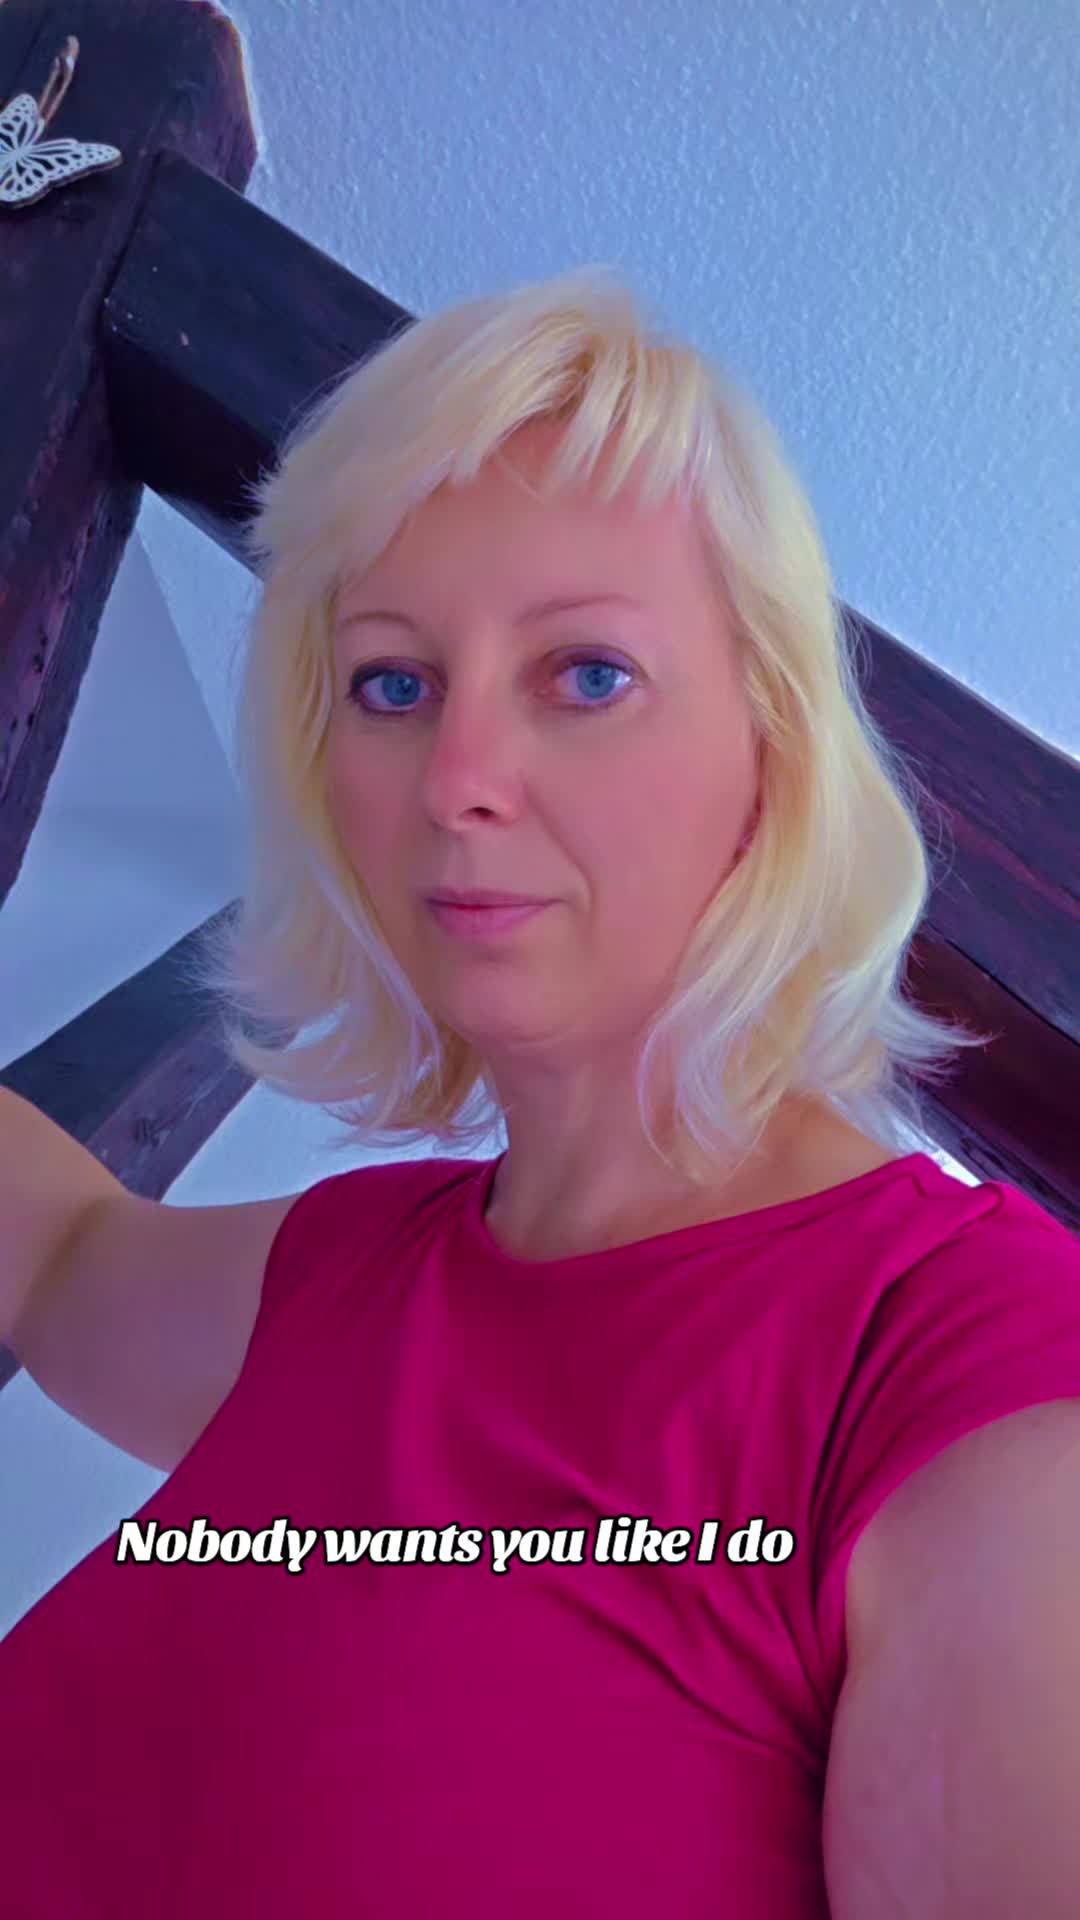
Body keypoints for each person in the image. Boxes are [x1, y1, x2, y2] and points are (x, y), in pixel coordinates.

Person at [3, 264, 1080, 1917]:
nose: (458, 779)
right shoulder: (348, 1273)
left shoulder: (961, 1355)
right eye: (391, 683)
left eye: (586, 674)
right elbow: (61, 1251)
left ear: (774, 750)